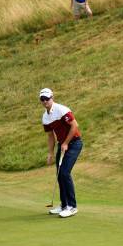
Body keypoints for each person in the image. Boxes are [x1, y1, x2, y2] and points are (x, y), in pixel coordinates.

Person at [40, 88, 83, 219]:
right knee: (59, 175)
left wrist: (66, 142)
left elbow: (75, 125)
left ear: (52, 98)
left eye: (47, 98)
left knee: (64, 173)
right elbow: (50, 136)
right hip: (62, 145)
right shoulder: (45, 117)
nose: (45, 101)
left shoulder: (61, 110)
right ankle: (64, 205)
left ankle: (72, 206)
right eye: (42, 99)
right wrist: (50, 152)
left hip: (74, 143)